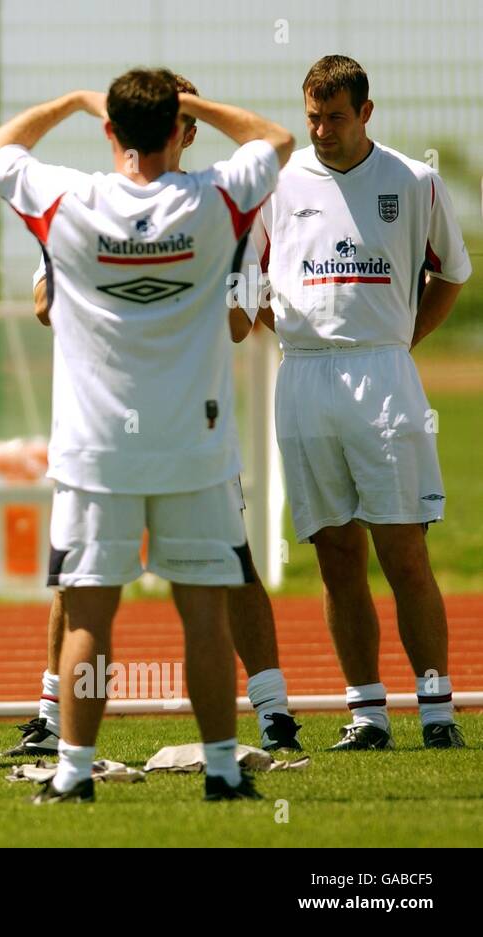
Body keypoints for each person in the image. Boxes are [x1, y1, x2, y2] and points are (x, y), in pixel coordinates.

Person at [0, 68, 294, 802]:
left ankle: (74, 773)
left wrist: (70, 102)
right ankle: (221, 769)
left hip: (96, 451)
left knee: (89, 614)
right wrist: (200, 105)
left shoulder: (70, 201)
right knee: (205, 613)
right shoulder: (216, 198)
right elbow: (276, 139)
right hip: (194, 444)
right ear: (178, 124)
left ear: (110, 130)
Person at [251, 55, 472, 750]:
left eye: (335, 117)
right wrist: (287, 333)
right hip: (305, 377)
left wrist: (403, 337)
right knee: (334, 553)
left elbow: (452, 274)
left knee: (403, 548)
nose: (321, 130)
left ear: (366, 113)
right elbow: (245, 284)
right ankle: (366, 712)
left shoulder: (413, 179)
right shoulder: (276, 187)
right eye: (312, 116)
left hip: (384, 375)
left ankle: (437, 708)